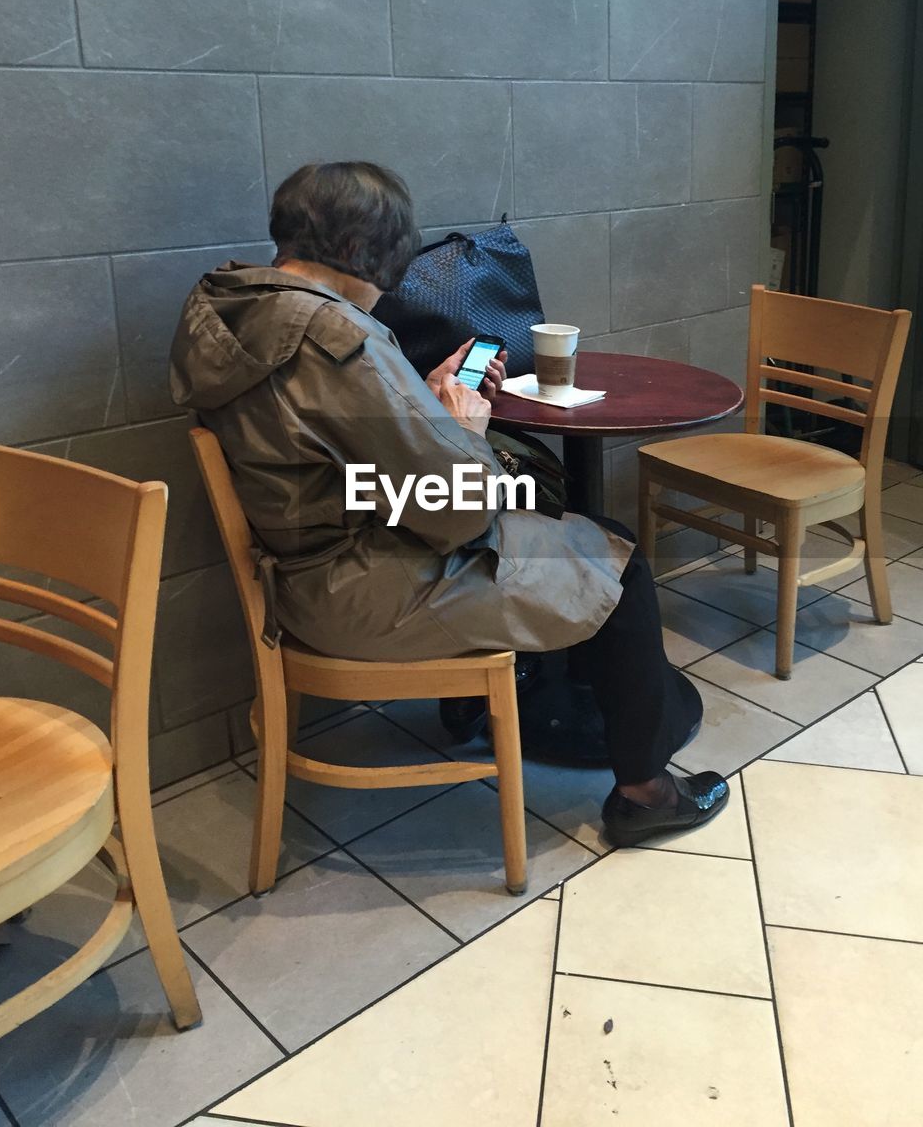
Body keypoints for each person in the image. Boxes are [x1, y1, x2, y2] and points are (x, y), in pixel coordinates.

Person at [170, 161, 728, 846]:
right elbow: (461, 509)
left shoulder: (234, 308)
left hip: (308, 563)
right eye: (391, 263)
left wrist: (424, 398)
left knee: (570, 536)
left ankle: (484, 703)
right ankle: (647, 792)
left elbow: (338, 445)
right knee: (618, 557)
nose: (389, 282)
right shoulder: (336, 340)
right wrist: (465, 425)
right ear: (354, 252)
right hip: (361, 585)